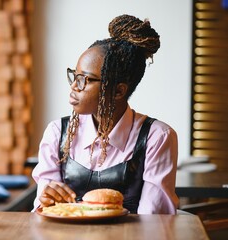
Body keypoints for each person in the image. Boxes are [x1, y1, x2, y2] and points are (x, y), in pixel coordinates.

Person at [32, 14, 179, 214]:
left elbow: (153, 220)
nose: (75, 86)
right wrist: (45, 201)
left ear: (118, 91)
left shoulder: (157, 137)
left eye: (86, 79)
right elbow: (42, 212)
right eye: (75, 76)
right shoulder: (57, 132)